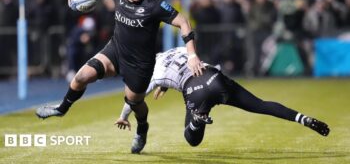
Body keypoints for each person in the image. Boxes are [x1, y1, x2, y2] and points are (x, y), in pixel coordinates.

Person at [36, 0, 204, 153]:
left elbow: (184, 22)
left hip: (140, 65)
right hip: (115, 51)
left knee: (135, 103)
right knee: (82, 76)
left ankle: (142, 128)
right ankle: (62, 108)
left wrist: (192, 54)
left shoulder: (155, 5)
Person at [115, 47, 330, 152]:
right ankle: (304, 119)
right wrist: (165, 84)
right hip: (215, 77)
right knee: (261, 105)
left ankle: (198, 119)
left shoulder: (150, 72)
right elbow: (182, 63)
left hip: (195, 89)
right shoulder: (176, 51)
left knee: (192, 139)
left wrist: (123, 116)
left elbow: (133, 99)